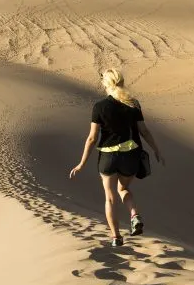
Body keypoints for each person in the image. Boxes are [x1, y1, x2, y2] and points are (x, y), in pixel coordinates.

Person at [69, 68, 164, 246]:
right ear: (121, 82)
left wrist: (81, 163)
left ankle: (116, 237)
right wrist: (156, 149)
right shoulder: (133, 104)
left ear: (105, 84)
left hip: (107, 157)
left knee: (110, 197)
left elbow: (92, 138)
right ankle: (134, 214)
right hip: (129, 156)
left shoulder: (99, 107)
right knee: (123, 190)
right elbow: (144, 131)